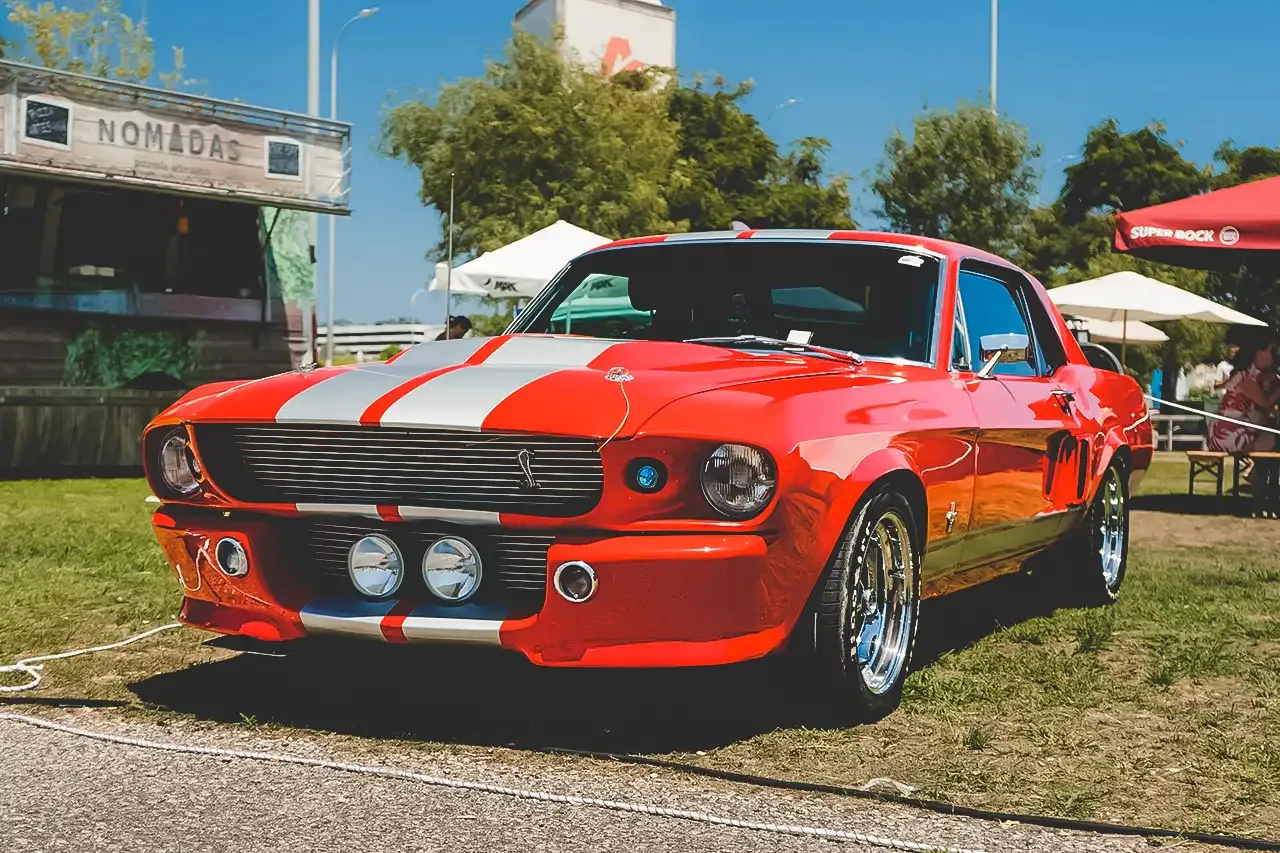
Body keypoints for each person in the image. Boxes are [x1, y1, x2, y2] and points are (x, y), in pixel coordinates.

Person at [1206, 342, 1280, 454]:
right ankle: (1257, 465)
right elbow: (1265, 403)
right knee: (1272, 439)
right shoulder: (1244, 378)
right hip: (1226, 435)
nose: (1274, 356)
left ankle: (1257, 464)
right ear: (1259, 354)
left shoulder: (1253, 376)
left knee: (1270, 434)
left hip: (1235, 431)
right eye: (1270, 352)